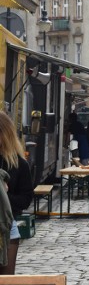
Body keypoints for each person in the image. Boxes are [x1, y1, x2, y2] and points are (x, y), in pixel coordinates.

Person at [0, 111, 34, 275]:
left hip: (7, 228)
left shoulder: (19, 164)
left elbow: (26, 199)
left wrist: (5, 196)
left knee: (6, 283)